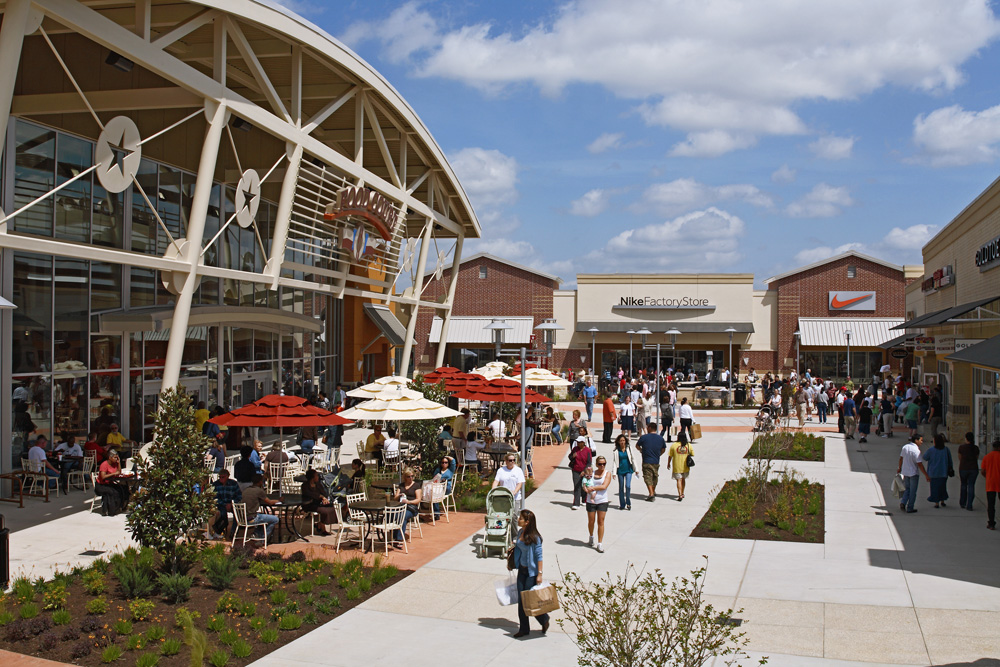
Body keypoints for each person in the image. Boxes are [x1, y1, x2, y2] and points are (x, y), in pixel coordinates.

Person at [509, 509, 549, 638]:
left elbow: (539, 556)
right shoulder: (520, 532)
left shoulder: (535, 538)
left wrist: (540, 574)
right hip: (522, 570)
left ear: (527, 522)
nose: (518, 520)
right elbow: (518, 549)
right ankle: (524, 629)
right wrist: (512, 562)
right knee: (522, 600)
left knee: (529, 600)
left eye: (520, 518)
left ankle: (544, 619)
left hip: (531, 573)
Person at [585, 456, 612, 552]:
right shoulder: (591, 473)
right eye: (600, 464)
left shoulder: (607, 473)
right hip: (590, 500)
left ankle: (600, 543)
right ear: (596, 464)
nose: (602, 466)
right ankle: (591, 536)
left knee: (601, 522)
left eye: (604, 464)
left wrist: (593, 488)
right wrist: (586, 489)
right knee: (591, 521)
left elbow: (604, 486)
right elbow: (585, 483)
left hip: (602, 500)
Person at [898, 435, 930, 513]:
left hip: (905, 472)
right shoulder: (916, 451)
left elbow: (901, 458)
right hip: (913, 473)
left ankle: (903, 502)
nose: (922, 442)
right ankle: (910, 507)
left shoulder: (905, 447)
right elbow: (919, 464)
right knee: (913, 491)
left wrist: (899, 467)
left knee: (907, 489)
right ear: (916, 440)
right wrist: (926, 475)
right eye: (921, 440)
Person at [241, 474, 280, 539]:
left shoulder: (246, 490)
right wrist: (278, 500)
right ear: (260, 482)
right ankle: (262, 539)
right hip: (253, 518)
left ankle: (256, 533)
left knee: (263, 517)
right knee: (275, 519)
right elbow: (269, 502)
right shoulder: (258, 490)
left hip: (244, 517)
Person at [635, 422, 666, 502]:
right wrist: (658, 455)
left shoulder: (644, 437)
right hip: (656, 461)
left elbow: (637, 445)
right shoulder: (660, 438)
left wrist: (641, 450)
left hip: (646, 460)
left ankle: (651, 494)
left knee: (648, 477)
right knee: (654, 477)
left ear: (649, 428)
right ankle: (652, 491)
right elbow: (663, 449)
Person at [301, 468, 337, 535]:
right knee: (325, 511)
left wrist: (324, 498)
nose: (318, 477)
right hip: (309, 504)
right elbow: (309, 494)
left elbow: (324, 493)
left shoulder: (318, 485)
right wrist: (320, 496)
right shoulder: (305, 485)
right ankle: (322, 527)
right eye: (316, 476)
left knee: (332, 509)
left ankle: (320, 524)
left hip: (318, 503)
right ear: (312, 478)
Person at [95, 451, 131, 516]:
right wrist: (113, 473)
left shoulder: (114, 463)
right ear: (110, 457)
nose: (116, 459)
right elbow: (103, 477)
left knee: (123, 488)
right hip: (101, 485)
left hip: (109, 483)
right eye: (115, 457)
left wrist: (119, 463)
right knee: (113, 492)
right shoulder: (104, 464)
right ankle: (111, 510)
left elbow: (119, 472)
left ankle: (122, 506)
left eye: (117, 458)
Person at [923, 433, 953, 508]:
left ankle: (936, 502)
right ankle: (942, 500)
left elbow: (925, 457)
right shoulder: (946, 450)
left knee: (934, 488)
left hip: (933, 473)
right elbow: (950, 460)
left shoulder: (931, 450)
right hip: (943, 472)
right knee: (942, 487)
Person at [393, 468, 422, 544]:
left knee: (402, 516)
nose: (410, 478)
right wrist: (399, 495)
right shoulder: (401, 485)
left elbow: (418, 499)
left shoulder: (416, 485)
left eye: (412, 476)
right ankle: (393, 536)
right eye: (408, 476)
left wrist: (409, 502)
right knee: (392, 514)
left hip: (411, 508)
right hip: (401, 506)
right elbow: (395, 498)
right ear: (405, 477)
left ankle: (399, 539)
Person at [210, 469, 242, 538]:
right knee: (222, 515)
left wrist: (231, 503)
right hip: (221, 505)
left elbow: (239, 496)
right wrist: (224, 504)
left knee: (238, 515)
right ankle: (219, 531)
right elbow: (214, 498)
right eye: (220, 477)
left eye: (223, 477)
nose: (221, 479)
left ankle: (233, 533)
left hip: (232, 504)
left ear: (227, 476)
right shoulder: (215, 484)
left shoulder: (233, 484)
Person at [568, 436, 593, 510]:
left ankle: (584, 499)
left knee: (584, 485)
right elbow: (569, 457)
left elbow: (589, 462)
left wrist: (584, 471)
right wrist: (573, 456)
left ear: (583, 443)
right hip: (575, 470)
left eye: (579, 442)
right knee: (577, 486)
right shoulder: (575, 449)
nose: (578, 443)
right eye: (577, 442)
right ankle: (576, 503)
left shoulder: (587, 451)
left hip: (584, 471)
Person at [611, 434, 635, 510]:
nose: (622, 442)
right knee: (621, 487)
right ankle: (622, 504)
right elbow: (615, 462)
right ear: (618, 441)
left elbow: (633, 459)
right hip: (620, 470)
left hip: (628, 470)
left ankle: (628, 502)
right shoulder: (616, 450)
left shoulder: (629, 448)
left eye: (623, 440)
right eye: (621, 441)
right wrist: (614, 473)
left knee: (628, 486)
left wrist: (636, 469)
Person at [957, 431, 980, 511]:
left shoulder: (961, 447)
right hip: (973, 468)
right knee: (971, 485)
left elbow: (959, 457)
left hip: (963, 468)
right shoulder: (976, 448)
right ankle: (969, 504)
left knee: (963, 485)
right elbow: (977, 457)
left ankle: (962, 502)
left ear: (966, 438)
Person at [667, 432, 693, 501]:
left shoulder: (674, 445)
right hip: (685, 466)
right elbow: (692, 453)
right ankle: (682, 492)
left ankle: (680, 494)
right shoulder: (688, 445)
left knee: (679, 480)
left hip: (676, 466)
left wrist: (668, 463)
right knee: (683, 479)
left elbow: (670, 455)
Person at [981, 440, 1000, 530]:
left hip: (990, 483)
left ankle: (991, 523)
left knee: (991, 504)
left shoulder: (987, 457)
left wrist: (987, 476)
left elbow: (983, 471)